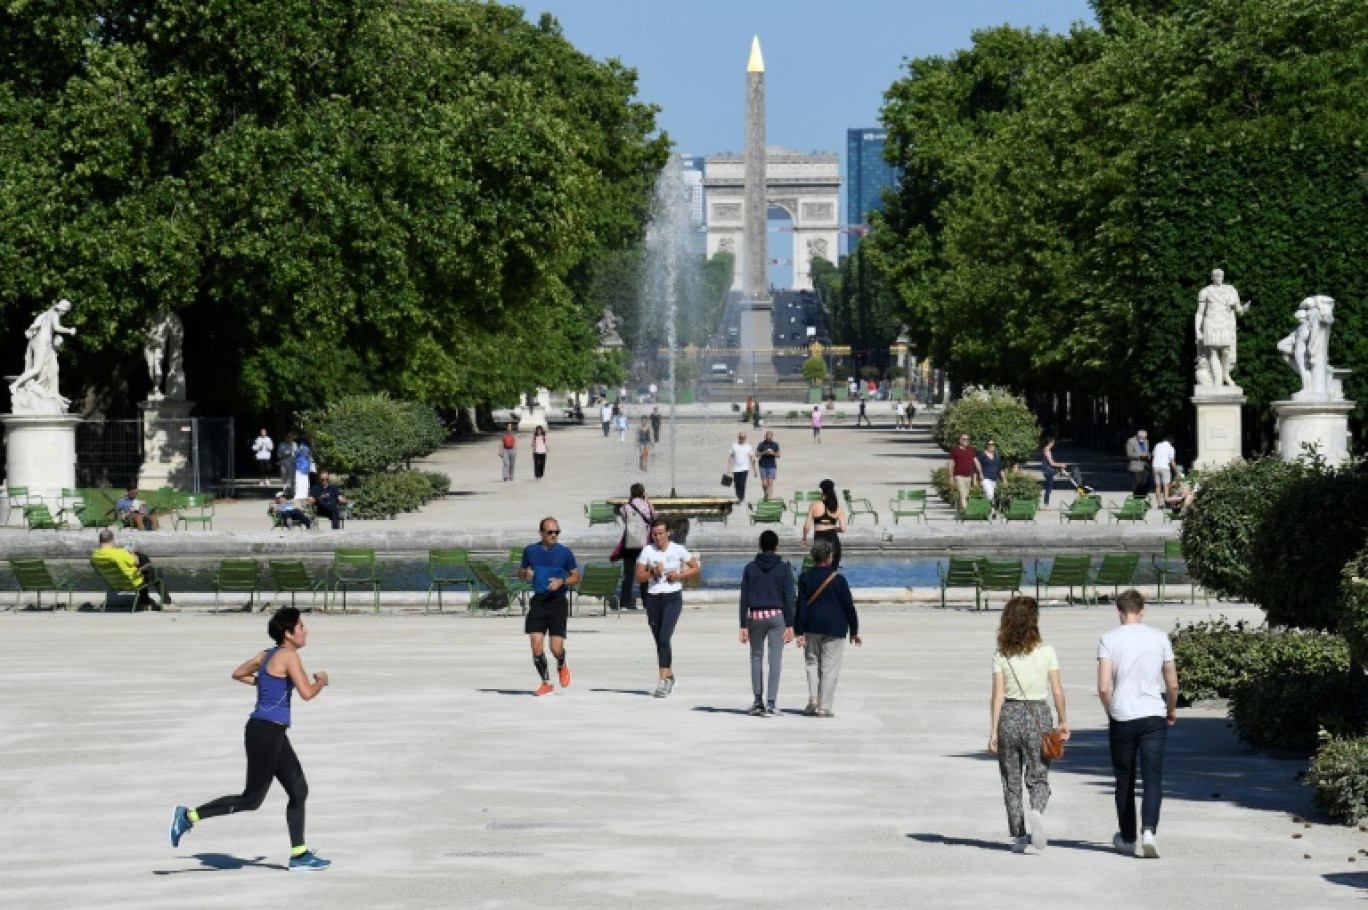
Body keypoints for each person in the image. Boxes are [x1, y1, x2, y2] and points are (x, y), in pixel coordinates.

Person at [168, 607, 331, 872]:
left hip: (271, 731)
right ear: (288, 634)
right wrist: (322, 681)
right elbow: (307, 693)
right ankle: (187, 816)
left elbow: (238, 674)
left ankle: (300, 855)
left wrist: (266, 684)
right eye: (301, 627)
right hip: (265, 732)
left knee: (298, 790)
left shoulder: (266, 655)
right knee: (251, 800)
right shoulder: (289, 656)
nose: (305, 631)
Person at [1098, 589, 1180, 859]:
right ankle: (1149, 832)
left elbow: (1103, 686)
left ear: (1119, 612)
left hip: (1122, 715)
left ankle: (1128, 836)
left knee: (1125, 780)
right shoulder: (1159, 637)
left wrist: (1112, 710)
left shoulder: (1109, 639)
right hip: (1153, 715)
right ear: (1142, 611)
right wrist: (1170, 709)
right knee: (1152, 776)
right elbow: (1172, 683)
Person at [989, 596, 1070, 854]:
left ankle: (1019, 835)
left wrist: (993, 731)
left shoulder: (1002, 654)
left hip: (1010, 716)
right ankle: (1036, 809)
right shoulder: (1047, 651)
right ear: (1034, 621)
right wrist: (1063, 720)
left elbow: (997, 695)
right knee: (1038, 776)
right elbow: (1057, 690)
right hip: (1038, 715)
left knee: (1010, 779)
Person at [635, 518, 700, 698]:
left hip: (672, 598)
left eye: (661, 534)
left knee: (664, 636)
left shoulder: (677, 549)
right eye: (654, 534)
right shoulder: (648, 550)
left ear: (668, 533)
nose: (658, 538)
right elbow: (639, 576)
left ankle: (662, 681)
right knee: (659, 640)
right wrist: (652, 572)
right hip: (653, 598)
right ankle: (669, 675)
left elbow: (695, 567)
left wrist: (679, 575)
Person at [794, 541, 860, 717]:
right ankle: (824, 707)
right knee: (830, 668)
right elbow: (848, 606)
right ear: (830, 558)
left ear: (813, 558)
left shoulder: (805, 578)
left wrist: (798, 632)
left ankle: (813, 698)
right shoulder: (839, 579)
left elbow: (800, 607)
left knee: (811, 663)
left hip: (811, 626)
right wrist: (854, 630)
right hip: (835, 628)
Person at [518, 517, 580, 696]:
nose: (554, 535)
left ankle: (561, 663)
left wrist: (562, 581)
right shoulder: (530, 551)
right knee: (536, 646)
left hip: (557, 602)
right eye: (550, 532)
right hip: (538, 601)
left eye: (557, 532)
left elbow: (576, 577)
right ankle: (546, 682)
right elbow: (522, 574)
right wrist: (525, 573)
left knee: (555, 648)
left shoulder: (565, 553)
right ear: (541, 533)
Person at [739, 529, 795, 716]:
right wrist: (790, 624)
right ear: (776, 546)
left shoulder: (750, 568)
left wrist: (743, 625)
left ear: (760, 546)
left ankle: (757, 701)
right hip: (776, 616)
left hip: (755, 616)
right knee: (775, 659)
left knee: (756, 657)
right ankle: (771, 702)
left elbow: (744, 598)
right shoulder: (784, 567)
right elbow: (789, 597)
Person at [1194, 268, 1250, 388]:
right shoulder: (1205, 291)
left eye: (1221, 275)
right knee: (1213, 352)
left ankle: (1226, 374)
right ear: (1212, 277)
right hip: (1211, 323)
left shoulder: (1230, 290)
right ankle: (1218, 382)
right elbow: (1200, 313)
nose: (1219, 277)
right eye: (1216, 276)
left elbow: (1238, 309)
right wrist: (1197, 330)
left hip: (1225, 324)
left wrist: (1244, 309)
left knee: (1226, 351)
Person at [91, 528, 170, 607]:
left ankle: (145, 603)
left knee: (144, 572)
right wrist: (131, 552)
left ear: (99, 541)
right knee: (155, 572)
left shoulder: (94, 556)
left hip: (114, 584)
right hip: (132, 582)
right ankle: (166, 603)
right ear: (112, 540)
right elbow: (137, 561)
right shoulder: (120, 553)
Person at [617, 484, 654, 611]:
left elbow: (624, 519)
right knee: (644, 573)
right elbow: (653, 518)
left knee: (628, 574)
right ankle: (646, 602)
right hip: (644, 543)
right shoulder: (647, 505)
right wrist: (647, 501)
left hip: (630, 542)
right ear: (643, 493)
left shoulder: (626, 507)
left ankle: (624, 603)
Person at [801, 479, 847, 570]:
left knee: (820, 570)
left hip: (820, 540)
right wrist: (833, 528)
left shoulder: (814, 505)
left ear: (821, 490)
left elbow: (807, 526)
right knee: (833, 572)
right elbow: (843, 528)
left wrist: (804, 539)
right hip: (833, 540)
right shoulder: (837, 508)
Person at [948, 433, 980, 512]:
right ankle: (967, 511)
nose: (966, 441)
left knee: (964, 496)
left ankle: (959, 512)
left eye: (967, 439)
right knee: (963, 494)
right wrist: (951, 477)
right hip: (959, 476)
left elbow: (976, 462)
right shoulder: (955, 451)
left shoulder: (971, 450)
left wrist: (981, 473)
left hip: (968, 477)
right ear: (960, 440)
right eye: (964, 439)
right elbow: (950, 464)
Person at [724, 431, 757, 503]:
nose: (742, 438)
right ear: (738, 437)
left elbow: (752, 457)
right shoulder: (734, 445)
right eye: (741, 437)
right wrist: (729, 467)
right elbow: (731, 457)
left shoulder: (748, 446)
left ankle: (741, 497)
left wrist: (754, 469)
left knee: (742, 483)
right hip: (736, 468)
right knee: (736, 483)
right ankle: (738, 496)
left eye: (743, 437)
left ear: (745, 438)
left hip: (745, 468)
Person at [1151, 432, 1176, 508]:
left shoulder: (1157, 445)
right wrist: (1177, 471)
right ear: (1171, 441)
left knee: (1158, 486)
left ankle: (1159, 504)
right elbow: (1172, 461)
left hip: (1155, 466)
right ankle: (1166, 502)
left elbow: (1153, 455)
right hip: (1164, 467)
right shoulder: (1171, 448)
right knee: (1166, 485)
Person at [1041, 436, 1066, 507]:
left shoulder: (1047, 450)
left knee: (1049, 487)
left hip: (1048, 471)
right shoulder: (1047, 450)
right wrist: (1061, 465)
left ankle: (1046, 503)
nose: (1053, 444)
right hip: (1048, 471)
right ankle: (1046, 504)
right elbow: (1051, 463)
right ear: (1050, 442)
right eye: (1053, 442)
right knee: (1048, 487)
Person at [1125, 430, 1151, 499]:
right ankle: (1136, 499)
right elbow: (1129, 454)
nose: (1143, 439)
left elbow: (1147, 451)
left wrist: (1148, 455)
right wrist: (1140, 455)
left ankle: (1143, 498)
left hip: (1145, 466)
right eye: (1142, 437)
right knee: (1137, 483)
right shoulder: (1131, 441)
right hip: (1135, 466)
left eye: (1145, 437)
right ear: (1138, 436)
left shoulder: (1146, 441)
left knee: (1145, 483)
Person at [755, 431, 781, 501]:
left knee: (770, 482)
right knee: (764, 483)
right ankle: (765, 494)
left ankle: (770, 496)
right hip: (762, 465)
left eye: (770, 437)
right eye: (767, 437)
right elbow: (757, 454)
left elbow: (778, 455)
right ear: (765, 437)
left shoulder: (775, 444)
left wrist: (773, 453)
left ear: (772, 437)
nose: (768, 438)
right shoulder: (761, 444)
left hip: (772, 465)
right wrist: (764, 452)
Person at [293, 439, 314, 505]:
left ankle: (299, 495)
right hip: (306, 467)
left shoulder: (299, 448)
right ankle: (305, 494)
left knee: (299, 482)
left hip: (300, 467)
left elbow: (295, 455)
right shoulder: (308, 448)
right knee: (305, 482)